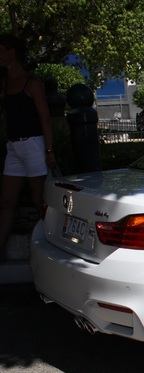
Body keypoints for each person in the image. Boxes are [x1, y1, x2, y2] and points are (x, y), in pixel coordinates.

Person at [0, 34, 55, 260]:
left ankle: (51, 249)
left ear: (12, 52)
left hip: (33, 144)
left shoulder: (31, 82)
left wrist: (49, 151)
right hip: (14, 146)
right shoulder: (5, 83)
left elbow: (45, 118)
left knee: (38, 199)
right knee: (6, 201)